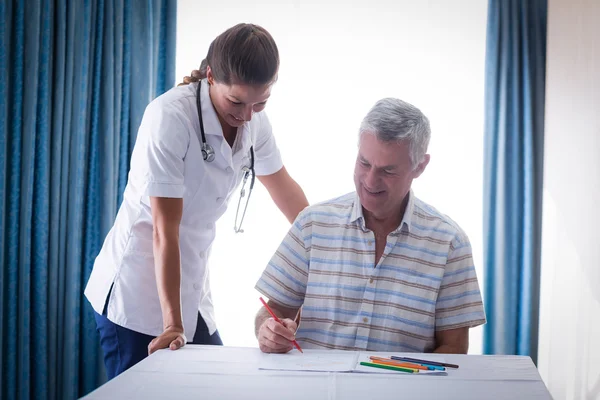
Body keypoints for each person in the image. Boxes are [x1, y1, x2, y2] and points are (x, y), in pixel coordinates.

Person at [85, 23, 309, 379]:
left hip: (190, 282)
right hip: (138, 290)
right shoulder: (170, 117)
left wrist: (328, 244)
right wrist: (172, 325)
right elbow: (164, 229)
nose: (247, 115)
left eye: (260, 102)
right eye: (236, 101)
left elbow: (285, 190)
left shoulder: (255, 122)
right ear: (210, 76)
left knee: (212, 384)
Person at [254, 98, 486, 354]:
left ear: (420, 166)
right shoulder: (312, 224)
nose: (370, 181)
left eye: (387, 170)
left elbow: (453, 348)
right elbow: (273, 311)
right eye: (364, 163)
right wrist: (269, 330)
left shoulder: (450, 243)